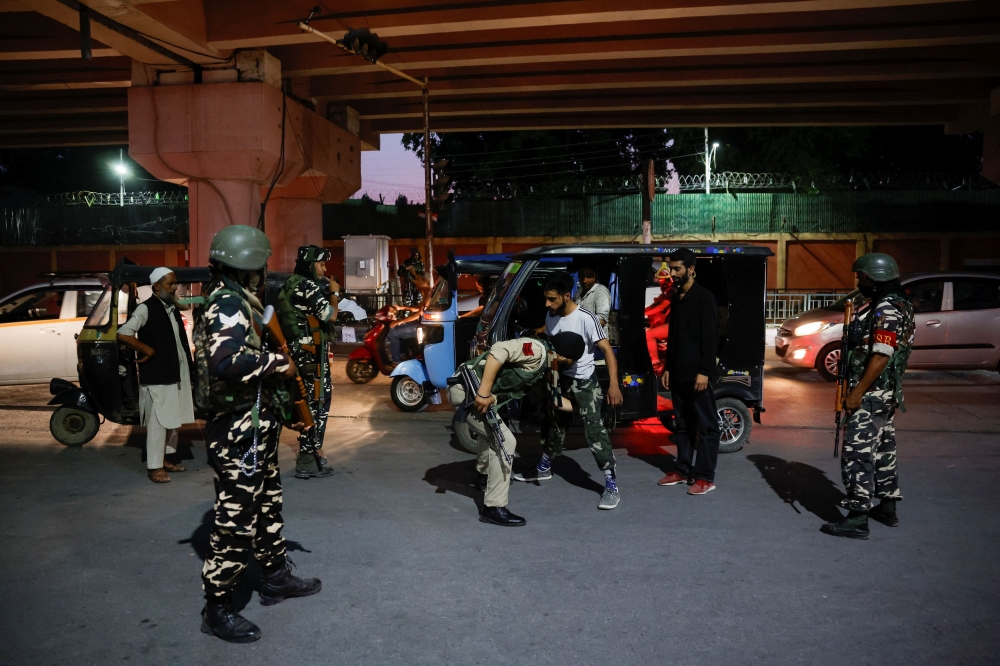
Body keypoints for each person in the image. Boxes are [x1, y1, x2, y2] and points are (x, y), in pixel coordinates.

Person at [197, 225, 322, 644]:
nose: (263, 275)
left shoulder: (242, 302)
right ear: (248, 268)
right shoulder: (227, 303)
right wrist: (277, 363)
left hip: (254, 429)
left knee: (268, 506)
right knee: (235, 521)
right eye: (260, 268)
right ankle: (217, 607)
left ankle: (273, 577)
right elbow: (224, 359)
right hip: (236, 432)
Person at [513, 271, 625, 510]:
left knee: (594, 431)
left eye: (552, 299)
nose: (547, 303)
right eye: (546, 298)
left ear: (566, 296)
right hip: (560, 379)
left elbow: (606, 350)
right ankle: (544, 467)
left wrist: (614, 385)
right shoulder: (551, 316)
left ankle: (611, 484)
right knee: (553, 424)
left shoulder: (586, 318)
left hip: (585, 382)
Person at [821, 253, 914, 540]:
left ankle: (857, 517)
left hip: (871, 392)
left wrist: (856, 394)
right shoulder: (898, 303)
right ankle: (887, 507)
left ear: (875, 277)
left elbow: (881, 355)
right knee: (884, 449)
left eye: (861, 277)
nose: (859, 281)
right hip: (884, 392)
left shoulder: (886, 308)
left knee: (857, 453)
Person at [449, 332, 585, 526]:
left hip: (474, 393)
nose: (571, 366)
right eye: (572, 361)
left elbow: (555, 400)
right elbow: (499, 351)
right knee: (504, 440)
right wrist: (484, 392)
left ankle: (484, 476)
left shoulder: (548, 365)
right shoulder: (536, 350)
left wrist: (585, 409)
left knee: (490, 434)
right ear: (564, 356)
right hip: (467, 390)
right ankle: (493, 508)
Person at [118, 267, 196, 483]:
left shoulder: (170, 307)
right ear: (156, 286)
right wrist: (147, 349)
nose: (175, 287)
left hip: (174, 373)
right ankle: (154, 467)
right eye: (171, 284)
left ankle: (165, 459)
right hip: (157, 374)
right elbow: (124, 333)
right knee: (158, 421)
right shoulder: (146, 308)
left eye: (175, 283)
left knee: (172, 419)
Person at [657, 248, 721, 496]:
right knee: (682, 425)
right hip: (679, 373)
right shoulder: (676, 298)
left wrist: (705, 371)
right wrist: (667, 367)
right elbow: (673, 336)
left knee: (706, 426)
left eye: (677, 269)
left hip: (698, 375)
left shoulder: (704, 298)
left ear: (691, 269)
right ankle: (683, 469)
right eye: (670, 268)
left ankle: (705, 477)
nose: (672, 273)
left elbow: (710, 337)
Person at [276, 245, 338, 480]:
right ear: (311, 265)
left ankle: (314, 452)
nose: (324, 269)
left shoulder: (292, 283)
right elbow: (330, 315)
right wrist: (335, 293)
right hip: (310, 355)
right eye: (321, 264)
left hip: (300, 352)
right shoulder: (307, 286)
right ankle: (307, 458)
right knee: (317, 404)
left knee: (308, 402)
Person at [387, 271, 432, 365]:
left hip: (424, 325)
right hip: (421, 323)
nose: (415, 282)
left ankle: (396, 361)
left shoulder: (429, 293)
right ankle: (405, 355)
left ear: (424, 281)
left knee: (394, 332)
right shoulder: (426, 292)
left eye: (418, 279)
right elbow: (418, 308)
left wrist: (400, 321)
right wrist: (402, 308)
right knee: (396, 328)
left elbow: (420, 313)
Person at [644, 277, 675, 376]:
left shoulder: (671, 292)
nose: (662, 286)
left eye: (664, 283)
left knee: (649, 334)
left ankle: (655, 363)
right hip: (667, 324)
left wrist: (642, 313)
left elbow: (661, 306)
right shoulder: (665, 293)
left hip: (673, 324)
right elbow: (653, 306)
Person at [574, 266, 611, 336]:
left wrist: (583, 332)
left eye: (589, 277)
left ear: (595, 277)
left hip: (596, 342)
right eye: (582, 276)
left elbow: (602, 319)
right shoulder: (579, 291)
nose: (584, 280)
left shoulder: (601, 290)